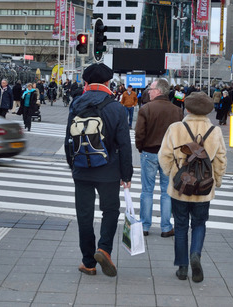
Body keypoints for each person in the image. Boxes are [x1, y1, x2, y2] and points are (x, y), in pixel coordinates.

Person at [64, 63, 133, 277]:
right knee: (110, 210)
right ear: (107, 83)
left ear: (86, 83)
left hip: (82, 169)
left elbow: (68, 140)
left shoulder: (76, 104)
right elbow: (124, 145)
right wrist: (126, 175)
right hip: (109, 170)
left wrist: (73, 165)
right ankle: (104, 249)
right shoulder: (116, 108)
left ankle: (88, 262)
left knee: (84, 215)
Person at [158, 91, 227, 283]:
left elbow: (164, 156)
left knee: (180, 225)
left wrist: (172, 173)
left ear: (186, 108)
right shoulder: (215, 132)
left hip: (180, 186)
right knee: (199, 223)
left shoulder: (175, 128)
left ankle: (182, 267)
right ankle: (195, 254)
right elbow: (221, 160)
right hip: (203, 187)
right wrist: (217, 180)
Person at [135, 79, 183, 238]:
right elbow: (179, 135)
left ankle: (144, 225)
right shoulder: (177, 111)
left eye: (151, 88)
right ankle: (166, 226)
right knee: (166, 191)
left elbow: (140, 133)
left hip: (149, 152)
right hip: (169, 155)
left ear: (159, 91)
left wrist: (141, 148)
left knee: (147, 191)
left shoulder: (146, 108)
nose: (149, 91)